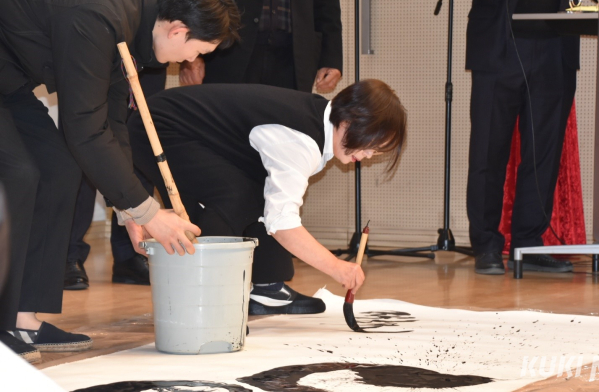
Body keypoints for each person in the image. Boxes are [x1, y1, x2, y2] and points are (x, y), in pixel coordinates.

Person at [0, 0, 240, 362]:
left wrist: (133, 212)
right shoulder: (100, 17)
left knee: (59, 168)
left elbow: (111, 122)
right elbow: (82, 128)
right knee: (20, 173)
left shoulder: (134, 19)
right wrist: (149, 212)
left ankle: (21, 318)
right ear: (179, 30)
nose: (190, 60)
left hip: (8, 76)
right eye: (198, 52)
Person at [127, 80, 406, 315]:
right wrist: (336, 267)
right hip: (159, 128)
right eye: (371, 145)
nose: (369, 156)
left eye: (377, 153)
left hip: (184, 128)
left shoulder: (318, 122)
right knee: (231, 195)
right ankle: (209, 305)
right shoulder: (300, 141)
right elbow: (282, 223)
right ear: (349, 121)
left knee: (257, 191)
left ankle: (265, 289)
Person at [445, 0, 599, 274]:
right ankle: (487, 244)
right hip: (498, 46)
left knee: (543, 155)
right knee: (489, 152)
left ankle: (528, 244)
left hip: (556, 50)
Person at [62, 0, 168, 291]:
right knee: (87, 141)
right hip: (97, 30)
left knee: (135, 143)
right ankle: (68, 253)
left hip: (145, 41)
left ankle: (130, 252)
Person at [178, 0, 343, 94]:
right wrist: (191, 58)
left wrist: (330, 59)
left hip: (292, 60)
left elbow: (326, 1)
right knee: (227, 132)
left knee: (287, 133)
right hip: (227, 55)